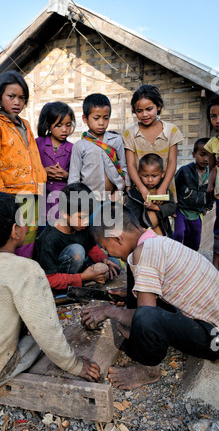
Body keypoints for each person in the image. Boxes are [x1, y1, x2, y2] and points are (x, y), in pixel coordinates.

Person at [0, 191, 100, 406]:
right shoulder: (26, 269)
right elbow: (47, 332)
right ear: (15, 231)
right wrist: (74, 365)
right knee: (40, 337)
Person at [81, 202, 219, 390]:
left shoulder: (145, 252)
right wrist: (133, 293)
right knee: (134, 273)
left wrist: (109, 311)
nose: (107, 253)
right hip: (210, 327)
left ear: (117, 238)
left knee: (146, 317)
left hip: (214, 339)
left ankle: (147, 370)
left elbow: (147, 314)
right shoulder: (154, 241)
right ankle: (139, 335)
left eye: (106, 248)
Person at [0, 70, 47, 259]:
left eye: (22, 98)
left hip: (34, 191)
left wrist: (42, 178)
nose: (17, 102)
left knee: (32, 236)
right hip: (12, 194)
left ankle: (28, 274)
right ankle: (16, 276)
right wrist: (2, 198)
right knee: (16, 238)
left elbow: (34, 155)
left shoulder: (25, 124)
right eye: (11, 96)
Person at [35, 183, 120, 293]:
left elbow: (91, 247)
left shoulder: (81, 226)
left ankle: (86, 281)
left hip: (80, 268)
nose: (85, 221)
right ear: (65, 214)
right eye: (81, 217)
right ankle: (71, 287)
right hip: (57, 277)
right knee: (77, 251)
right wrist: (82, 277)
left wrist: (103, 259)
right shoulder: (50, 238)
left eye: (88, 216)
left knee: (115, 265)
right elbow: (49, 279)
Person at [123, 85, 183, 202]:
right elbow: (131, 165)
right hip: (139, 191)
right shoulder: (130, 133)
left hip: (165, 189)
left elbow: (172, 162)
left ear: (158, 107)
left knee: (163, 217)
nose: (144, 114)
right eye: (139, 111)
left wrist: (163, 187)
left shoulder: (171, 130)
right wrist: (142, 189)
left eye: (149, 109)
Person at [68, 93, 130, 202]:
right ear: (85, 119)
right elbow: (74, 178)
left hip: (114, 198)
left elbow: (123, 168)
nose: (101, 123)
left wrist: (120, 191)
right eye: (96, 118)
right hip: (89, 200)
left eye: (105, 118)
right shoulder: (79, 146)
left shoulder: (116, 140)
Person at [36, 101, 75, 226]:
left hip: (62, 203)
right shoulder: (37, 144)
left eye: (68, 125)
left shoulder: (73, 148)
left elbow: (77, 177)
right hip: (40, 200)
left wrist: (65, 175)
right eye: (59, 125)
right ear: (48, 125)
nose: (64, 130)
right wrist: (44, 172)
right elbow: (28, 169)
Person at [174, 138, 212, 251]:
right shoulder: (184, 171)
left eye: (209, 156)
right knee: (178, 235)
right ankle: (174, 258)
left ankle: (189, 263)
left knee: (194, 242)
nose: (206, 159)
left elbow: (214, 193)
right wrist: (172, 207)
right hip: (181, 210)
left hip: (197, 213)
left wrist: (207, 207)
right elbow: (173, 188)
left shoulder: (213, 174)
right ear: (194, 154)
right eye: (202, 154)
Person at [125, 153, 176, 237]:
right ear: (139, 174)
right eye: (145, 176)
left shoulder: (163, 192)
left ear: (162, 174)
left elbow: (172, 208)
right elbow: (131, 215)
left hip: (163, 232)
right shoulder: (133, 194)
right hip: (141, 234)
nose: (150, 180)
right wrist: (140, 228)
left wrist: (155, 207)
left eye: (154, 176)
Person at [204, 94, 219, 269]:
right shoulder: (212, 143)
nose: (217, 120)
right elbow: (212, 167)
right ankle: (215, 270)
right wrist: (209, 187)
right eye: (213, 116)